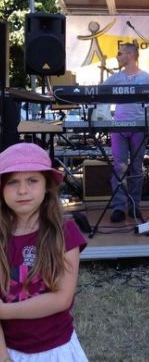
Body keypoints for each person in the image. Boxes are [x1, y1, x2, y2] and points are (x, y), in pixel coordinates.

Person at [0, 142, 87, 361]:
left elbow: (61, 299)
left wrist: (3, 311)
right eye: (12, 182)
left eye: (32, 180)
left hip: (56, 348)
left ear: (47, 185)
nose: (22, 190)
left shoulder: (65, 232)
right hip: (8, 349)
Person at [103, 42, 149, 223]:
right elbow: (97, 93)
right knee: (119, 167)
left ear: (130, 55)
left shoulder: (147, 78)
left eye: (120, 53)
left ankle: (134, 205)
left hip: (139, 128)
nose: (117, 57)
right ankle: (119, 207)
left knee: (136, 168)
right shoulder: (115, 78)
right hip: (118, 127)